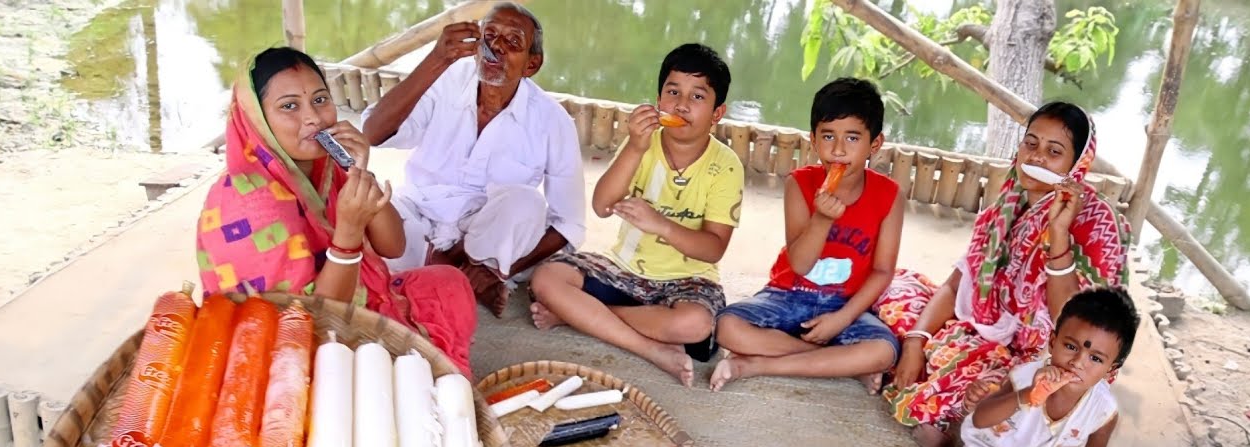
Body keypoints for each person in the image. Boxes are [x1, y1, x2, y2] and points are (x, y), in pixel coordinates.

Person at [876, 101, 1130, 447]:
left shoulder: (1097, 225)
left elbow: (1077, 326)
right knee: (894, 291)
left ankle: (947, 432)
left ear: (1077, 166)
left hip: (1056, 357)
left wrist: (1058, 234)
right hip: (989, 334)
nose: (1037, 158)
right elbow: (953, 285)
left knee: (986, 401)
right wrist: (917, 340)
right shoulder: (1006, 207)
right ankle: (918, 373)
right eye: (1031, 144)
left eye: (1054, 152)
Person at [197, 47, 477, 375]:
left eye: (320, 99)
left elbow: (393, 246)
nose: (313, 118)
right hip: (289, 346)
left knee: (447, 283)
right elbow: (314, 323)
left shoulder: (326, 166)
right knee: (369, 372)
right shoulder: (248, 204)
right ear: (257, 120)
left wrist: (359, 171)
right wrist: (348, 233)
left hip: (344, 301)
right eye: (289, 106)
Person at [528, 43, 742, 387]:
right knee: (547, 278)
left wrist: (660, 224)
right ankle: (650, 349)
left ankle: (578, 317)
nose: (682, 105)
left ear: (718, 113)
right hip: (624, 269)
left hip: (688, 281)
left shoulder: (726, 165)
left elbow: (713, 248)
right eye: (673, 92)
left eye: (698, 97)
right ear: (659, 100)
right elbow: (601, 205)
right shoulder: (644, 143)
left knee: (696, 325)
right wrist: (635, 146)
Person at [361, 2, 584, 316]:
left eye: (513, 42)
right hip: (419, 216)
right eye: (489, 35)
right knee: (368, 207)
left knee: (526, 204)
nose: (496, 47)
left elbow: (568, 224)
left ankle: (456, 275)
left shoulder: (552, 121)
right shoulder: (445, 78)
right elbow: (372, 133)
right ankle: (456, 279)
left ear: (531, 65)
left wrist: (500, 270)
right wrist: (436, 59)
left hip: (484, 241)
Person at [709, 78, 903, 393]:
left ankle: (758, 364)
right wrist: (822, 219)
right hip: (788, 294)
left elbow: (882, 272)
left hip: (847, 303)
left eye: (852, 138)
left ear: (875, 144)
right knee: (726, 327)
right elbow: (799, 263)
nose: (838, 150)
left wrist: (841, 319)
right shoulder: (799, 184)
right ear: (813, 140)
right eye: (828, 136)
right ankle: (839, 364)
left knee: (884, 351)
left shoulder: (890, 195)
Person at [930, 287, 1138, 447]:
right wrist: (1026, 395)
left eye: (1095, 358)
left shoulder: (1104, 410)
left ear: (1111, 371)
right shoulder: (1024, 377)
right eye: (1070, 347)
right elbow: (980, 419)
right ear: (1052, 342)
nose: (1078, 362)